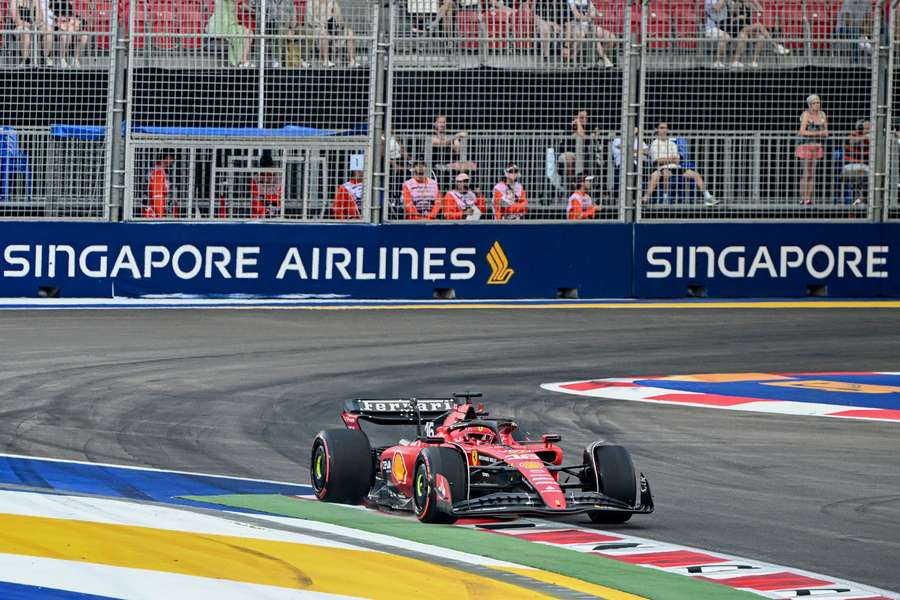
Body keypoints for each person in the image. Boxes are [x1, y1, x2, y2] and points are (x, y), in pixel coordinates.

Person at [642, 121, 717, 206]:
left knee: (695, 174)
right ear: (657, 130)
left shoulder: (672, 144)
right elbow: (657, 161)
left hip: (677, 168)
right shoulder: (655, 144)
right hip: (663, 168)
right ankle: (665, 199)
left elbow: (678, 160)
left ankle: (708, 197)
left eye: (666, 128)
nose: (664, 130)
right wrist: (671, 159)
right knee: (666, 174)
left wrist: (668, 159)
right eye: (662, 128)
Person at [728, 0, 790, 68]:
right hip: (739, 28)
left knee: (761, 37)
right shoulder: (737, 4)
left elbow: (761, 10)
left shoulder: (749, 4)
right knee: (759, 25)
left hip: (748, 28)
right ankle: (776, 46)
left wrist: (755, 3)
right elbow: (731, 19)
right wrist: (739, 17)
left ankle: (753, 62)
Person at [306, 0, 359, 68]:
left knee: (350, 32)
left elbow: (341, 22)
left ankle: (352, 61)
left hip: (334, 29)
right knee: (324, 33)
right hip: (319, 29)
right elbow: (310, 21)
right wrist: (324, 23)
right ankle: (326, 60)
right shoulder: (311, 2)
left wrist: (337, 16)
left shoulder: (333, 2)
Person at [796, 94, 828, 205]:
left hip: (817, 147)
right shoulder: (806, 114)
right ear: (809, 104)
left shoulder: (822, 114)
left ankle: (809, 198)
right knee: (806, 173)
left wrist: (821, 134)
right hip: (805, 146)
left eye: (818, 102)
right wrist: (818, 133)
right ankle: (803, 198)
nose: (817, 105)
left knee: (812, 174)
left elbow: (826, 132)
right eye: (814, 103)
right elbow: (802, 131)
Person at [564, 0, 613, 68]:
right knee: (588, 34)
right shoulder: (571, 1)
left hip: (588, 25)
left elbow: (595, 13)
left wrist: (587, 16)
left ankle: (601, 59)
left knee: (610, 37)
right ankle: (604, 58)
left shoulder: (587, 1)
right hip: (574, 25)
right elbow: (577, 16)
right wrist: (589, 17)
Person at [431, 114, 477, 187]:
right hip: (435, 164)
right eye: (440, 122)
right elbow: (442, 143)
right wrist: (457, 136)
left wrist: (456, 140)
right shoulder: (431, 135)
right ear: (434, 123)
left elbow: (457, 150)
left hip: (449, 164)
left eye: (444, 122)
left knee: (472, 165)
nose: (442, 124)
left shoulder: (449, 136)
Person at [207, 0, 253, 67]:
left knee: (247, 33)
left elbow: (241, 6)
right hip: (222, 26)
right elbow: (242, 5)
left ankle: (242, 61)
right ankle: (243, 61)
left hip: (228, 25)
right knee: (248, 33)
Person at [253, 0, 297, 67]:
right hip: (267, 26)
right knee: (275, 27)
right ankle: (272, 60)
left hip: (285, 27)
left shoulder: (289, 1)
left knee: (280, 29)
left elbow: (293, 16)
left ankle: (277, 60)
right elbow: (259, 18)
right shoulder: (263, 1)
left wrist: (291, 30)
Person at [562, 110, 599, 182]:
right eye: (581, 118)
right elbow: (582, 136)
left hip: (586, 155)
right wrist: (578, 123)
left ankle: (587, 183)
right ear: (575, 118)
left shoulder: (589, 127)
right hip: (567, 154)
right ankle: (572, 184)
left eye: (586, 118)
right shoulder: (569, 127)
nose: (584, 120)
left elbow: (586, 138)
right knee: (570, 158)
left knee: (591, 158)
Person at [51, 0, 87, 68]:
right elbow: (51, 14)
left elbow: (76, 16)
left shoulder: (72, 4)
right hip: (59, 26)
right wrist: (59, 18)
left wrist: (72, 18)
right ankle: (62, 59)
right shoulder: (55, 2)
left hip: (71, 26)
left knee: (84, 36)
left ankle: (75, 59)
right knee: (66, 36)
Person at [842, 119, 870, 206]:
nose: (869, 130)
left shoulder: (872, 137)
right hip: (850, 165)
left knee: (869, 172)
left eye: (869, 128)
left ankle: (862, 199)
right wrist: (865, 137)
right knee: (861, 172)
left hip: (866, 166)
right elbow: (852, 141)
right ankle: (859, 199)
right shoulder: (853, 134)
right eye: (866, 128)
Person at [250, 152, 283, 218]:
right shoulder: (255, 179)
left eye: (268, 166)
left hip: (274, 209)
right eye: (264, 166)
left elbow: (279, 197)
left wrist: (264, 197)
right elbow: (255, 198)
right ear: (261, 166)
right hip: (258, 212)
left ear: (272, 166)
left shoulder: (278, 179)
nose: (266, 169)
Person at [144, 150, 175, 218]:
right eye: (172, 158)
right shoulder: (158, 171)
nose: (173, 161)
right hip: (156, 208)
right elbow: (157, 195)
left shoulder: (163, 170)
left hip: (158, 206)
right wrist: (160, 213)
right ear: (168, 158)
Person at [333, 155, 365, 220]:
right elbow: (337, 207)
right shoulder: (345, 186)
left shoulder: (370, 185)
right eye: (357, 170)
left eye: (360, 170)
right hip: (350, 216)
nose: (358, 172)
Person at [705, 0, 731, 68]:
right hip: (710, 28)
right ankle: (717, 61)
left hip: (721, 26)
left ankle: (718, 61)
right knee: (726, 37)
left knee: (725, 38)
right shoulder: (709, 1)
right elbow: (717, 7)